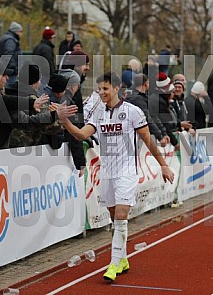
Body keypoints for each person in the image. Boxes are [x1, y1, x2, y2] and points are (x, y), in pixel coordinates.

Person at [56, 71, 174, 282]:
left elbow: (148, 141)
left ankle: (113, 263)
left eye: (105, 88)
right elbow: (82, 135)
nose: (101, 92)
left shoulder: (133, 112)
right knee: (115, 218)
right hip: (107, 173)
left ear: (117, 89)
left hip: (127, 172)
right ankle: (124, 258)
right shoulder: (98, 113)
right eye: (99, 89)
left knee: (121, 215)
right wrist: (64, 121)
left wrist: (163, 165)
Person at [126, 73, 170, 147]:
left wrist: (163, 133)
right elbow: (147, 118)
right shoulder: (137, 98)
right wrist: (160, 136)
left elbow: (153, 116)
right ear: (145, 84)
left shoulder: (144, 97)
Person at [0, 21, 23, 86]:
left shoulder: (8, 38)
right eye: (20, 31)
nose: (20, 33)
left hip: (9, 68)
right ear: (16, 31)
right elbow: (8, 53)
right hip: (11, 70)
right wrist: (13, 67)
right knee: (10, 86)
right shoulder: (11, 40)